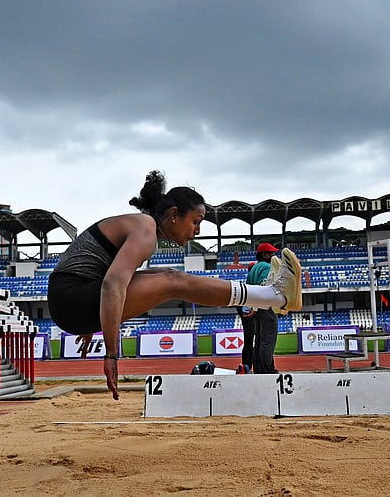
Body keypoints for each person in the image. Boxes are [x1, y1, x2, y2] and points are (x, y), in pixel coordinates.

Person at [47, 170, 303, 399]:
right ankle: (273, 296)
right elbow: (112, 285)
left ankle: (271, 296)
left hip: (72, 299)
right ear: (173, 215)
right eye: (195, 221)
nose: (198, 231)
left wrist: (91, 323)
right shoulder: (145, 230)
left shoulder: (143, 230)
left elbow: (101, 274)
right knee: (173, 281)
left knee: (169, 275)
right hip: (71, 299)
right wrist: (111, 355)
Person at [247, 242, 281, 373]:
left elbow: (249, 288)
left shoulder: (254, 268)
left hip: (256, 308)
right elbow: (264, 286)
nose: (273, 255)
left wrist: (252, 308)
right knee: (268, 341)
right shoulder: (267, 267)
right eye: (271, 253)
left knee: (260, 340)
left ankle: (259, 369)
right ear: (265, 254)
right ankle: (267, 370)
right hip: (266, 307)